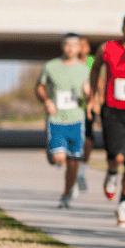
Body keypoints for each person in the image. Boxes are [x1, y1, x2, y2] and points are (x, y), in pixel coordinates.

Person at [88, 13, 125, 227]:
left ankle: (124, 203)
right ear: (122, 28)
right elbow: (95, 68)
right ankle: (112, 172)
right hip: (112, 108)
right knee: (117, 156)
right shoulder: (107, 48)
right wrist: (93, 95)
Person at [36, 33, 91, 208]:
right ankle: (53, 153)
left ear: (79, 48)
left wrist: (89, 95)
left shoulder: (85, 69)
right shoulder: (51, 66)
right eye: (67, 45)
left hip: (77, 119)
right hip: (56, 119)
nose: (71, 48)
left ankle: (67, 193)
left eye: (75, 45)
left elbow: (92, 96)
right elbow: (39, 87)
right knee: (60, 158)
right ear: (62, 46)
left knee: (74, 161)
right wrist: (46, 101)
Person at [76, 37, 95, 193]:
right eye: (79, 45)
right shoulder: (69, 62)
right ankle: (73, 171)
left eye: (85, 45)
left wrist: (97, 102)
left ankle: (82, 172)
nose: (82, 47)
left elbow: (99, 81)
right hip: (71, 108)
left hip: (88, 106)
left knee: (88, 140)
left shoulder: (92, 61)